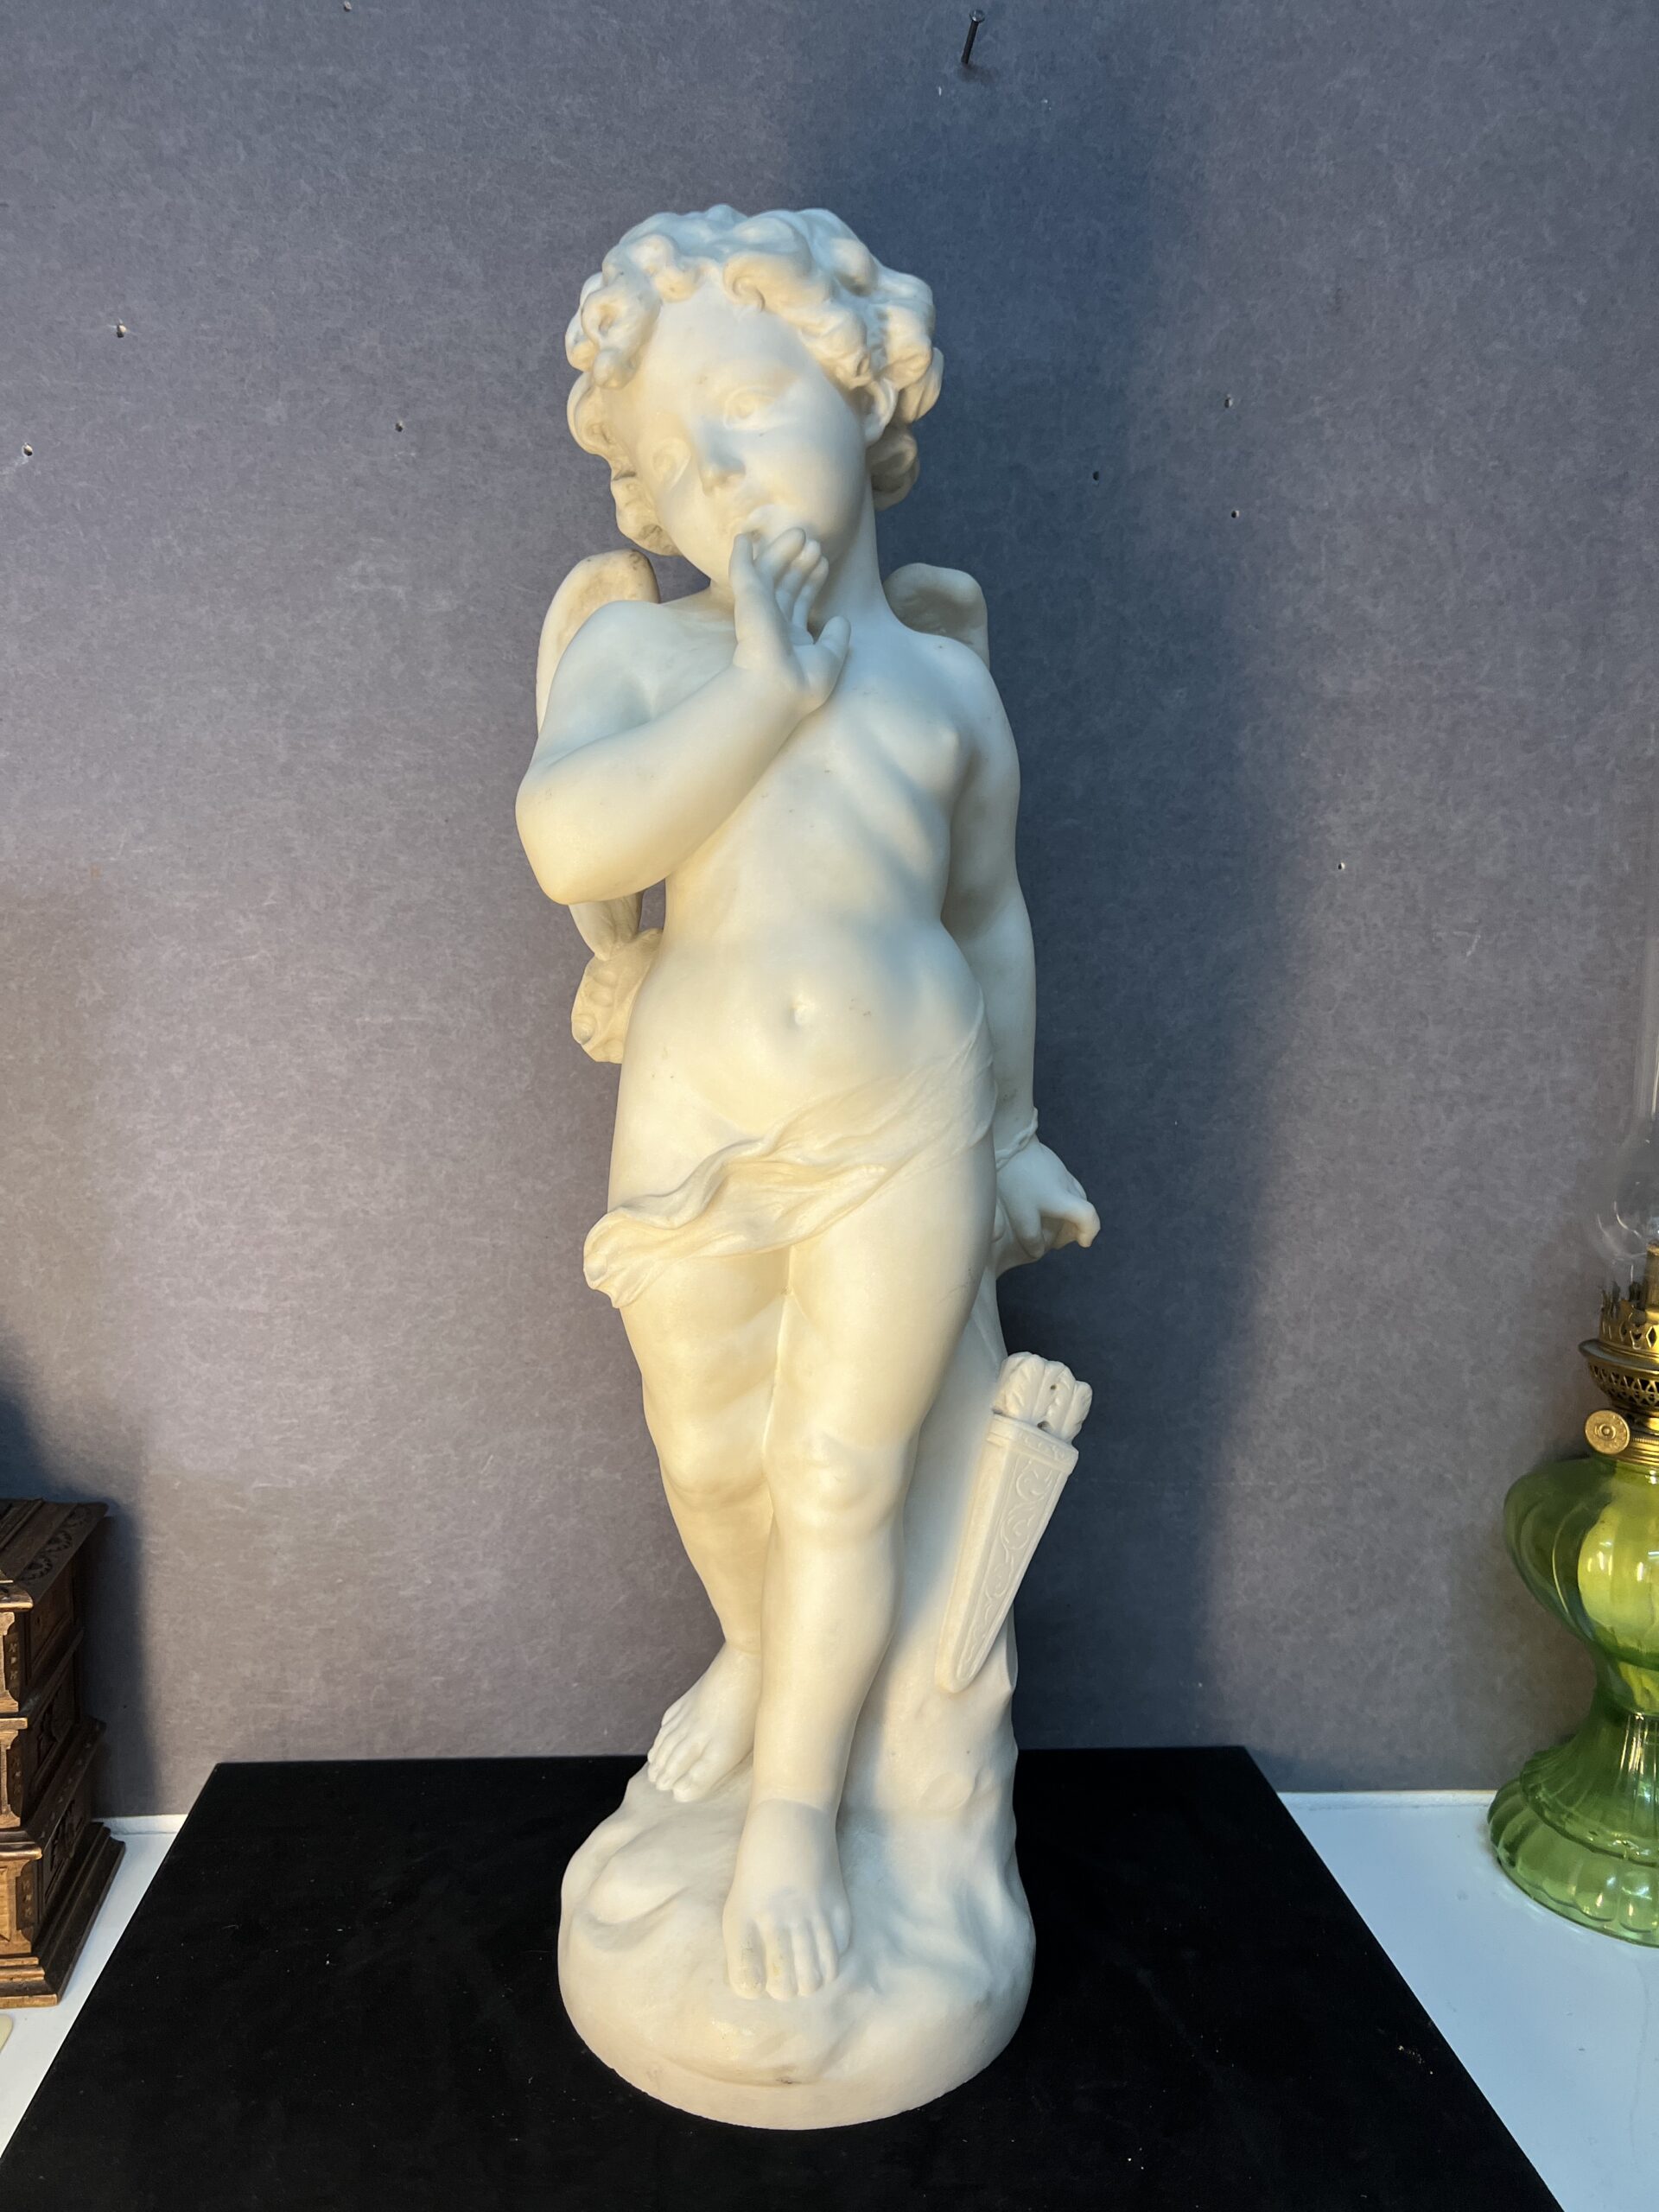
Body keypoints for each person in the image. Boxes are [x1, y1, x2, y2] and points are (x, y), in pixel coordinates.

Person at [518, 207, 1096, 2003]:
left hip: (901, 1119)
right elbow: (572, 842)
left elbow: (989, 920)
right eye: (674, 456)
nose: (721, 472)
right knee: (710, 1456)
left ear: (862, 397)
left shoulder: (945, 686)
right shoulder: (643, 662)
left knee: (844, 1476)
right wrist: (765, 695)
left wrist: (1013, 1134)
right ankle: (764, 1659)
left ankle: (794, 1814)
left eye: (753, 410)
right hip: (697, 1124)